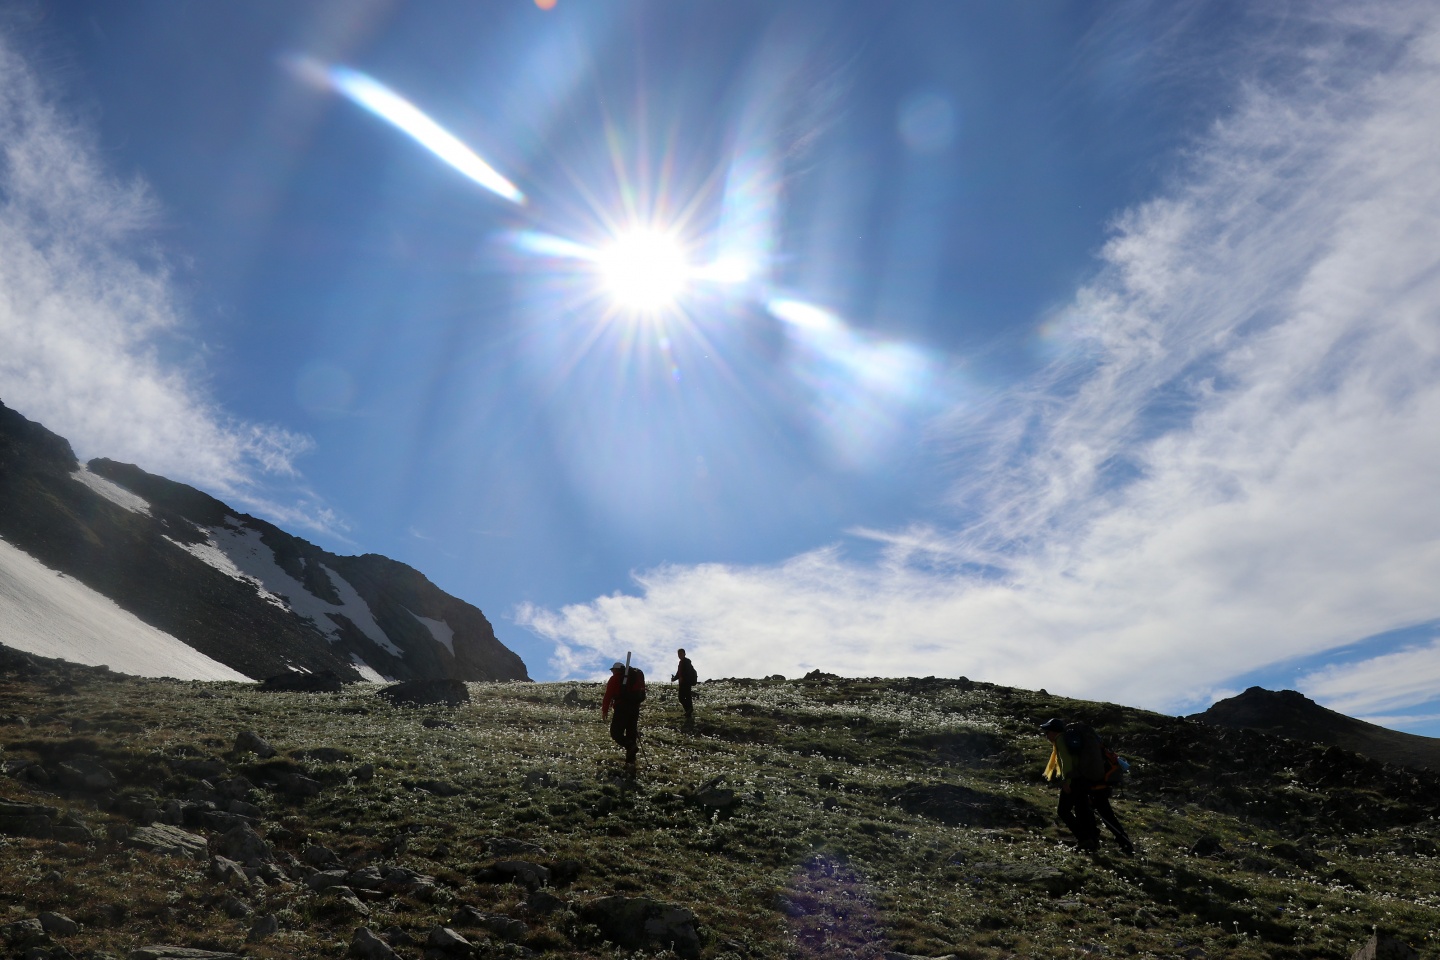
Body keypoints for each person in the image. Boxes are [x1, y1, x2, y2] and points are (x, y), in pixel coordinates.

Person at [1040, 717, 1101, 852]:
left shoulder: (1061, 740)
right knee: (1083, 810)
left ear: (1054, 731)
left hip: (1073, 779)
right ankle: (1092, 841)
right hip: (1083, 778)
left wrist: (1066, 782)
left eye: (1047, 732)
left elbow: (1066, 761)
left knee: (1063, 810)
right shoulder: (1068, 739)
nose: (1046, 735)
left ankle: (1084, 839)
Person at [602, 661, 646, 768]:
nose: (612, 672)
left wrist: (605, 711)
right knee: (631, 733)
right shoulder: (633, 677)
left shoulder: (615, 678)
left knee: (615, 733)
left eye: (613, 670)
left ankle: (630, 746)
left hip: (621, 708)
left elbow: (608, 696)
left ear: (616, 670)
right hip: (635, 708)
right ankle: (630, 761)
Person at [671, 648, 698, 720]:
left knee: (686, 697)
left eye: (681, 654)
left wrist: (683, 677)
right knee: (682, 698)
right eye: (678, 654)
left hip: (686, 683)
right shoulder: (680, 663)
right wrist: (674, 678)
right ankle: (688, 711)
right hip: (682, 683)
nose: (679, 655)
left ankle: (689, 710)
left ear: (684, 654)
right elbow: (678, 673)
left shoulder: (687, 661)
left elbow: (687, 672)